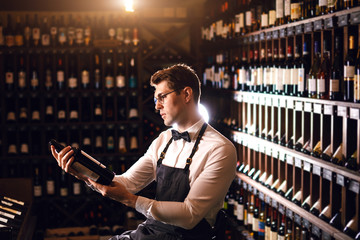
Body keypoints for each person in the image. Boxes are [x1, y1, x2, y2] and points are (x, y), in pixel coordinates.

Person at [51, 63, 237, 240]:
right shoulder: (164, 140)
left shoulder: (220, 149)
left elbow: (190, 215)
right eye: (157, 99)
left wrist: (131, 200)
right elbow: (128, 183)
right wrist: (83, 173)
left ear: (186, 94)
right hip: (154, 231)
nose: (157, 105)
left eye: (162, 97)